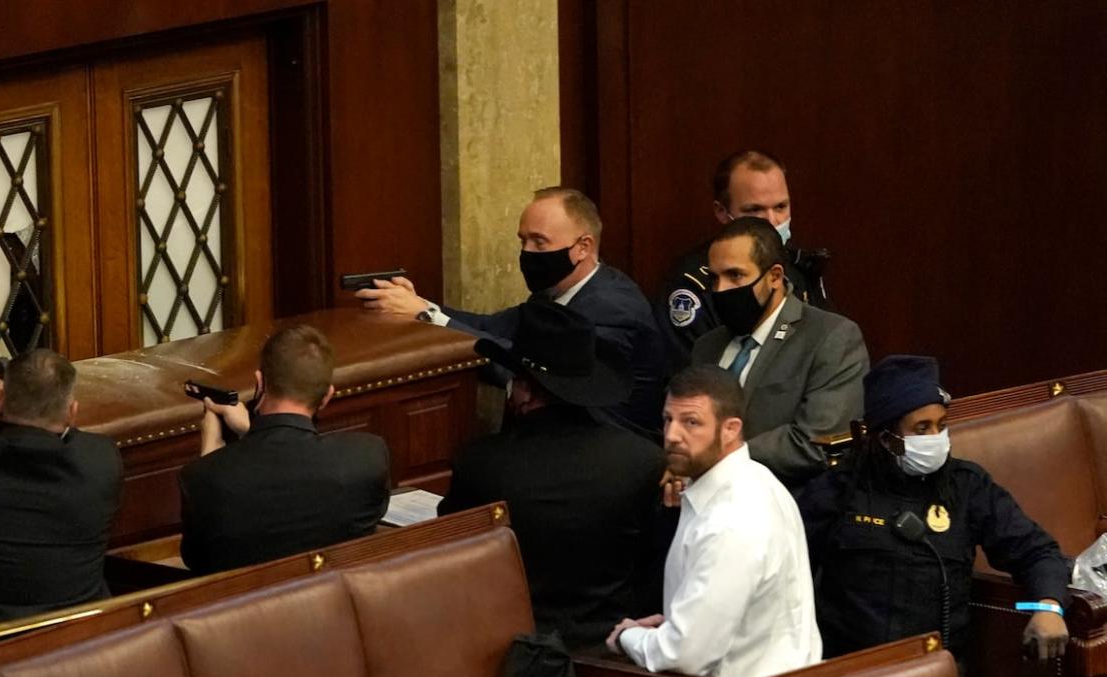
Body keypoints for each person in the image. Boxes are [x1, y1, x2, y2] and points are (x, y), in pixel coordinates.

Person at [799, 354, 1069, 661]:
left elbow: (1037, 552)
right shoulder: (838, 490)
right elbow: (790, 574)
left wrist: (1047, 606)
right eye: (922, 428)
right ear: (886, 437)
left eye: (941, 425)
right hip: (853, 672)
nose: (935, 439)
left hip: (936, 671)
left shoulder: (968, 486)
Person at [438, 301, 666, 650]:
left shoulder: (479, 464)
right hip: (614, 649)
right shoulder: (643, 461)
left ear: (525, 391)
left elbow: (452, 562)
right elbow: (657, 566)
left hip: (509, 651)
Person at [357, 186, 664, 438]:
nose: (527, 252)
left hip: (608, 452)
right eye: (523, 240)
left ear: (583, 246)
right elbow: (491, 327)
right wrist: (422, 306)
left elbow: (540, 375)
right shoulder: (553, 291)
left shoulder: (612, 307)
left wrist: (428, 317)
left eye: (539, 242)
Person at [606, 364, 821, 677]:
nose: (672, 435)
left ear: (731, 428)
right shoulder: (757, 481)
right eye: (668, 419)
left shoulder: (733, 519)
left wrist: (627, 637)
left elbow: (684, 655)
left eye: (691, 422)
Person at [0, 349, 122, 635]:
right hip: (74, 644)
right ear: (72, 411)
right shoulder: (101, 461)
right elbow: (79, 440)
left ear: (0, 403)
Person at [179, 325, 390, 573]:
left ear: (260, 383)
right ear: (327, 397)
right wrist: (251, 431)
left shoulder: (203, 476)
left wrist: (212, 450)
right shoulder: (367, 457)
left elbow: (198, 560)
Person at [690, 217, 868, 489]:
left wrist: (722, 459)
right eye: (714, 278)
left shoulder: (830, 337)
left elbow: (818, 442)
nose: (720, 290)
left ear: (774, 276)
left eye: (735, 275)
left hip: (789, 506)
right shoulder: (707, 347)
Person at [653, 149, 832, 376]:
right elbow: (691, 381)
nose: (771, 220)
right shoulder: (694, 283)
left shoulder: (800, 269)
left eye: (780, 207)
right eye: (754, 210)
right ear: (721, 212)